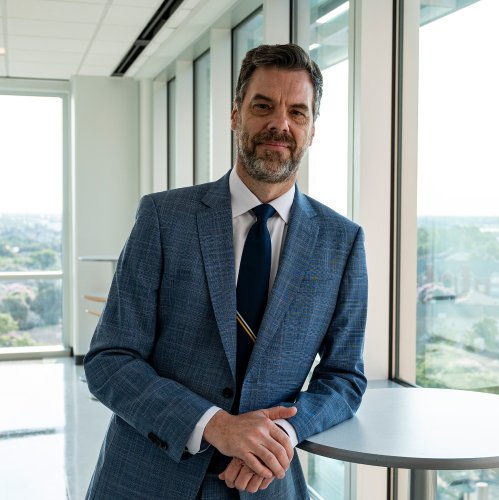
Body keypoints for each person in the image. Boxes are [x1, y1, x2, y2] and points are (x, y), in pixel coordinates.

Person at [84, 43, 368, 499]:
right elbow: (109, 361)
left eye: (298, 112)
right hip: (145, 479)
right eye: (263, 106)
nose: (280, 124)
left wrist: (280, 439)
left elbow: (345, 377)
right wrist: (214, 425)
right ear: (235, 115)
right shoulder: (163, 218)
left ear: (312, 130)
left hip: (264, 484)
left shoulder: (342, 242)